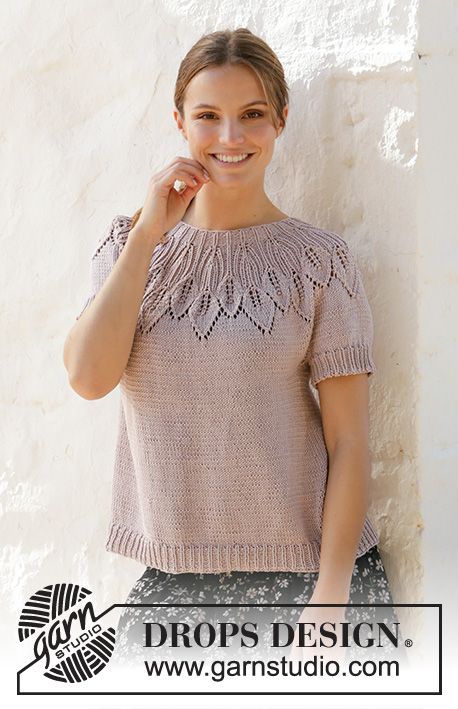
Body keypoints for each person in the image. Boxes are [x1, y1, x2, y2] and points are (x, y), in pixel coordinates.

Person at [63, 27, 405, 667]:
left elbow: (350, 442)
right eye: (208, 116)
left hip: (310, 584)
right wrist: (146, 236)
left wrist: (331, 601)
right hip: (174, 590)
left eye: (251, 115)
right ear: (179, 124)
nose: (230, 137)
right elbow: (88, 377)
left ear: (279, 120)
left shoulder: (319, 263)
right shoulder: (127, 246)